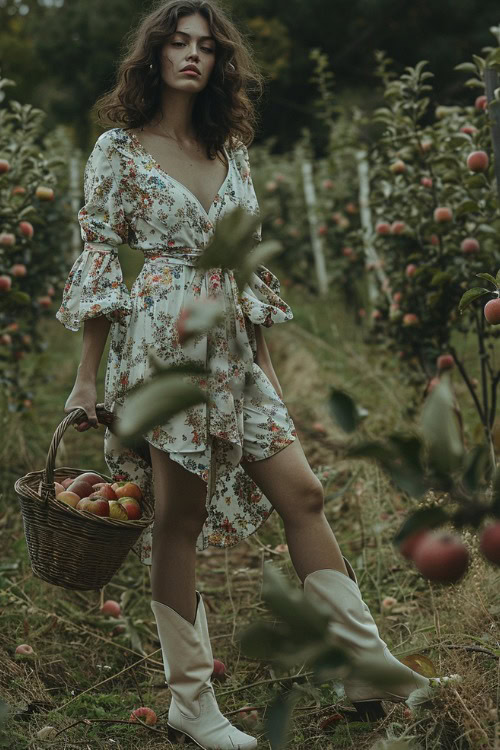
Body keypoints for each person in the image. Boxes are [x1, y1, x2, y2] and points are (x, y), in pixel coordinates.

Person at [56, 1, 454, 748]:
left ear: (220, 62)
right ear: (153, 56)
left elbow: (243, 262)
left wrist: (266, 371)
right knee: (180, 517)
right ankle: (191, 704)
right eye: (176, 43)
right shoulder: (119, 148)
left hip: (235, 348)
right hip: (163, 342)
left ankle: (363, 663)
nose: (191, 56)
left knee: (303, 491)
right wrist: (86, 379)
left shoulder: (229, 148)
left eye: (205, 46)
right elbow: (101, 260)